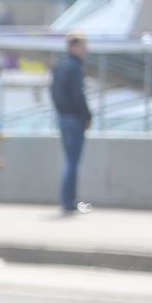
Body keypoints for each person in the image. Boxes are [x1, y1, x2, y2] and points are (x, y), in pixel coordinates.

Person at [51, 34, 92, 215]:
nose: (86, 50)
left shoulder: (60, 65)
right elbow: (78, 94)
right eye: (83, 46)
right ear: (74, 46)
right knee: (73, 162)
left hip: (63, 117)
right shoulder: (74, 67)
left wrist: (62, 111)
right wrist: (87, 115)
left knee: (69, 161)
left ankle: (68, 200)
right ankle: (70, 201)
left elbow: (53, 91)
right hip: (75, 118)